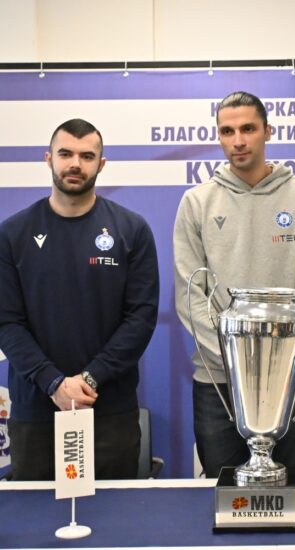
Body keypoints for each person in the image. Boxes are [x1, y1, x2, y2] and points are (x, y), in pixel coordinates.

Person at [174, 91, 295, 478]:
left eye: (248, 129)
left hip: (293, 379)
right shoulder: (197, 202)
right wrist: (238, 360)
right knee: (225, 494)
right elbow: (191, 295)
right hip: (220, 381)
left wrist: (281, 359)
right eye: (227, 131)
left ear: (267, 131)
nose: (238, 140)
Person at [0, 118, 159, 480]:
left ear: (101, 164)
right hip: (36, 411)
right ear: (48, 159)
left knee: (112, 514)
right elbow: (7, 322)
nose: (75, 163)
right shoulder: (12, 234)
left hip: (110, 411)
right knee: (36, 516)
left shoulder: (131, 230)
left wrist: (89, 379)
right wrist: (54, 383)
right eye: (65, 154)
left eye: (87, 156)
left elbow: (140, 319)